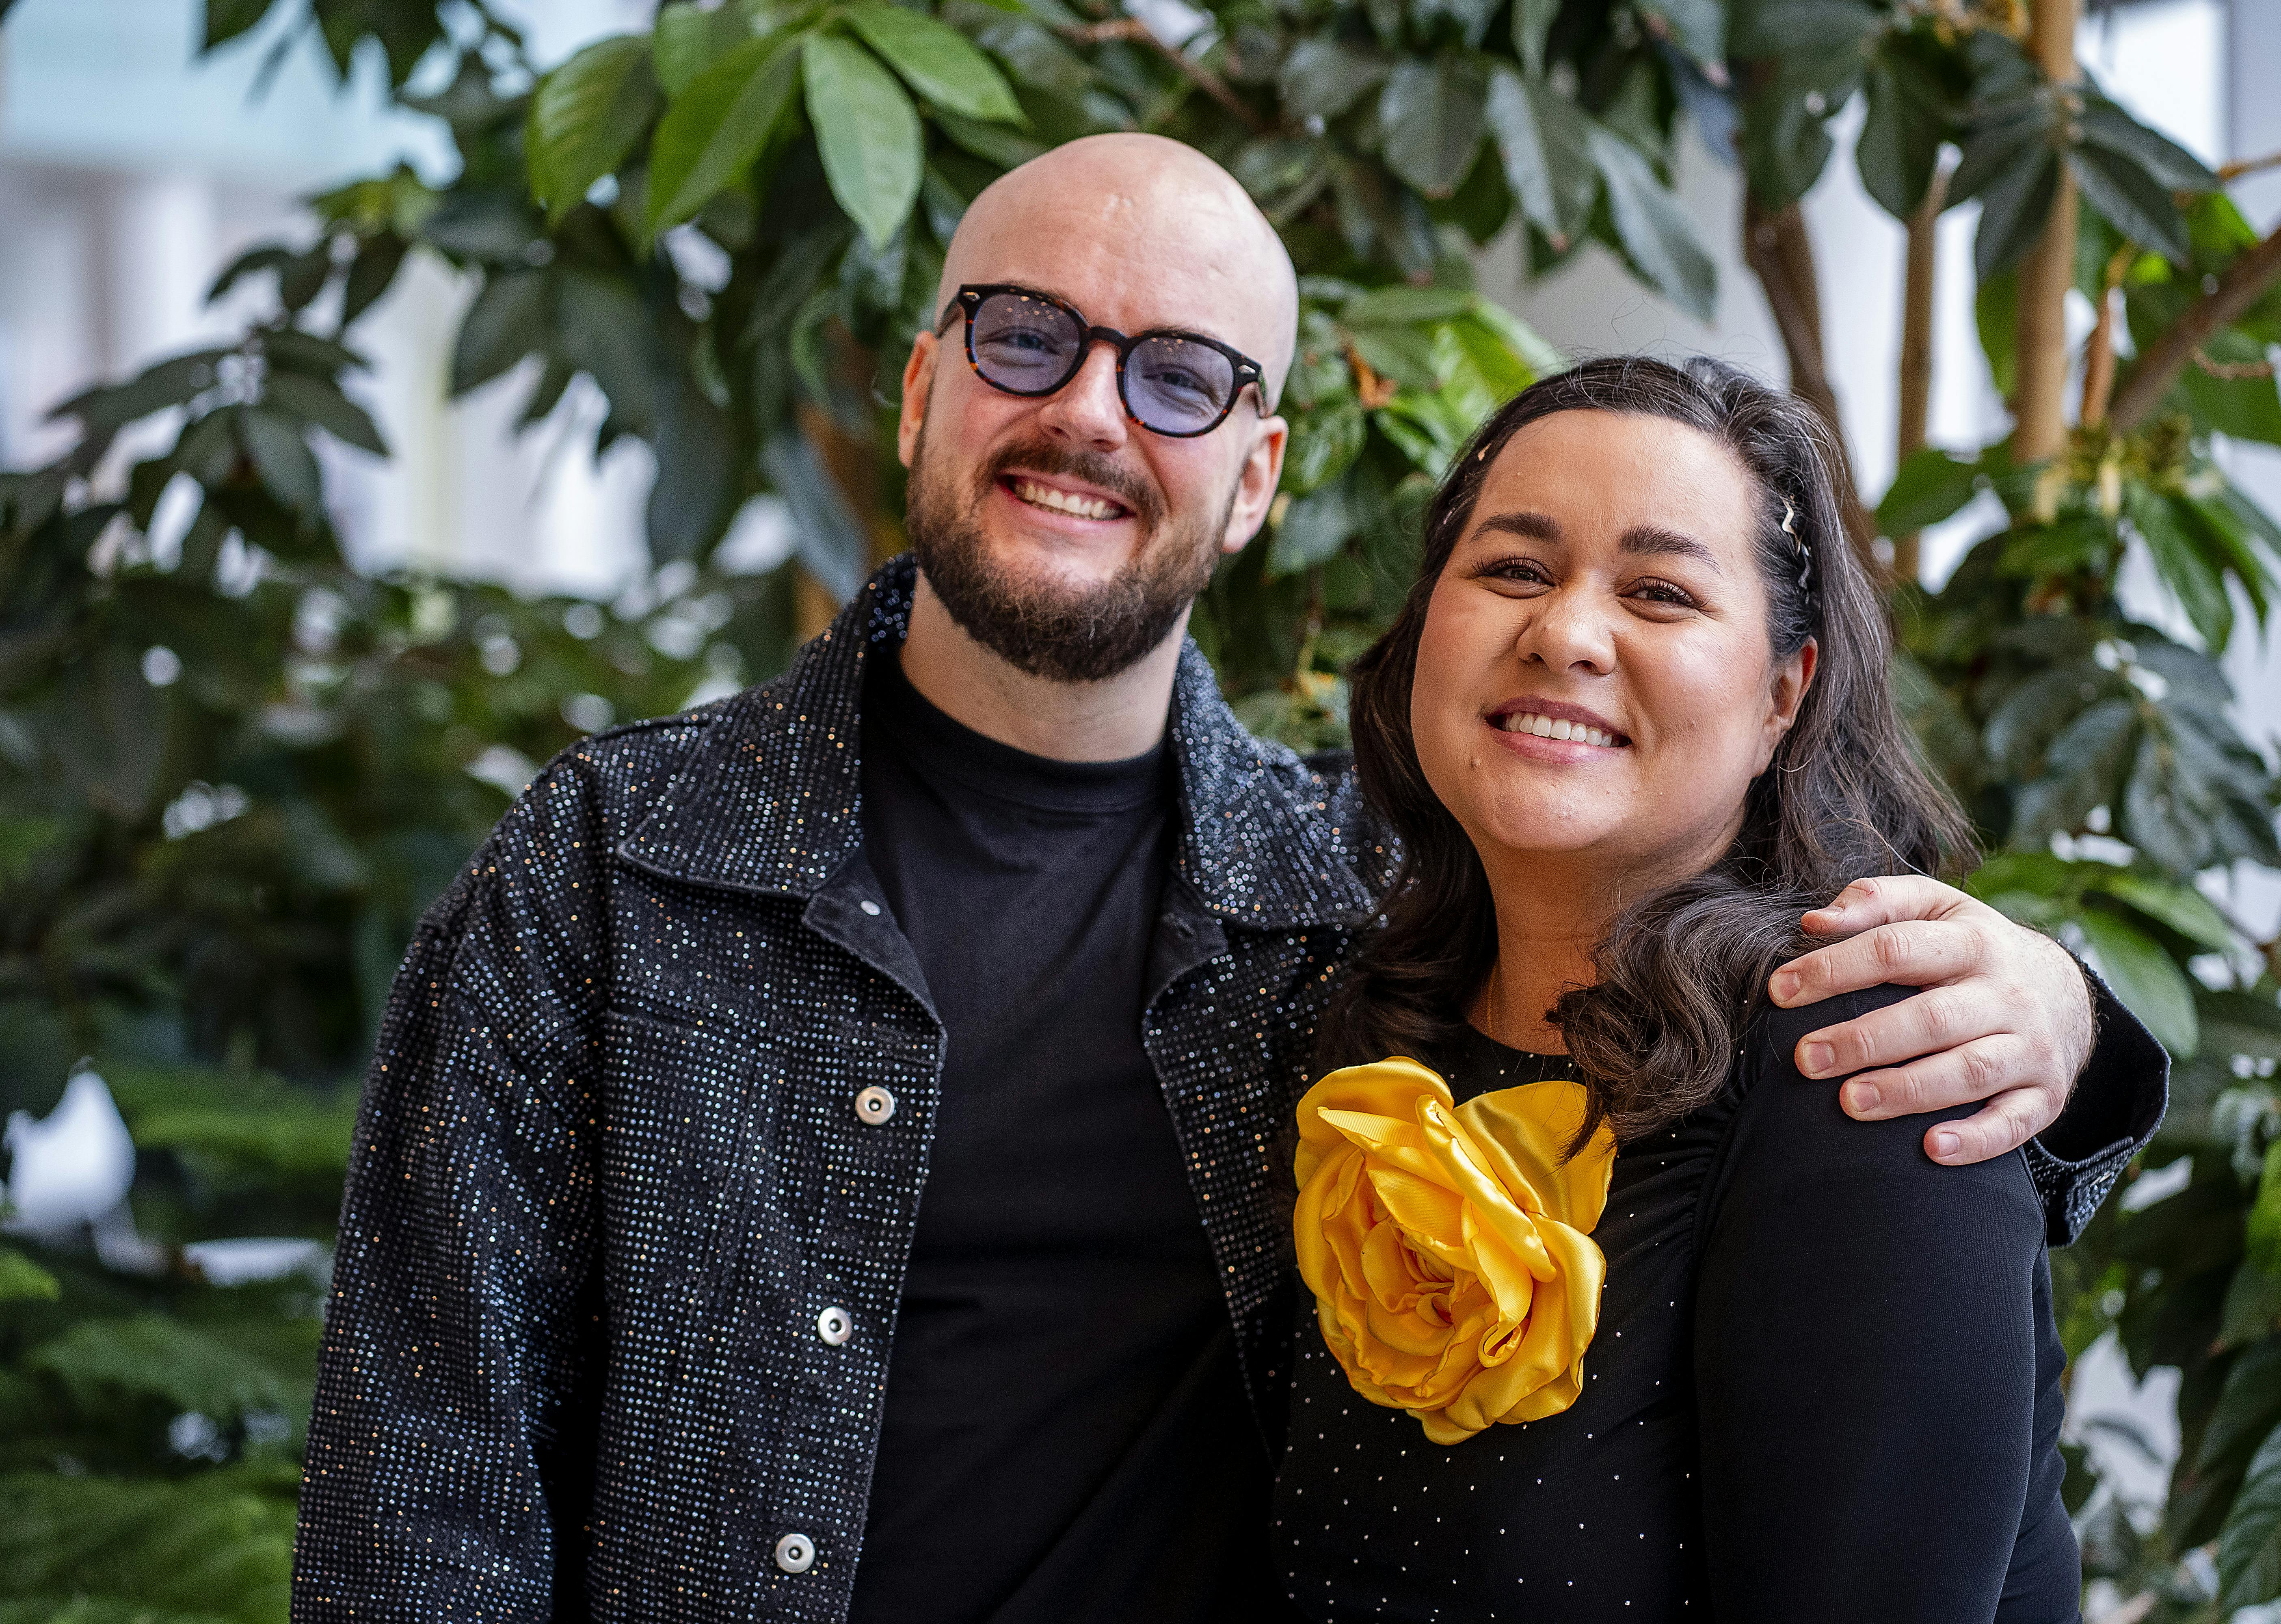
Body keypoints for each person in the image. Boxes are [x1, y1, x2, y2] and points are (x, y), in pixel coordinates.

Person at [290, 135, 2162, 1624]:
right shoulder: (617, 868)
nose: (1092, 414)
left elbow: (1818, 1185)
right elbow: (417, 1497)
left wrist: (2070, 1023)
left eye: (1178, 377)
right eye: (1027, 336)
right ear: (927, 384)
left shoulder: (1349, 910)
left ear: (1258, 475)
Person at [1271, 355, 2159, 1621]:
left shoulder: (1867, 1063)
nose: (1566, 633)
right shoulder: (1360, 1002)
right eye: (1514, 569)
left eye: (1661, 591)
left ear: (1780, 699)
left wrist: (2072, 1006)